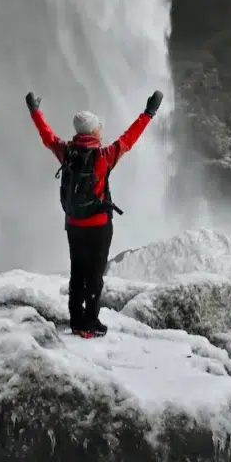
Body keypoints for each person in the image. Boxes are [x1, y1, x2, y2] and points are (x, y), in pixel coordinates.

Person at [25, 89, 163, 338]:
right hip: (99, 225)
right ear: (92, 131)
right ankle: (90, 322)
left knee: (77, 273)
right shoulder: (104, 156)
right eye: (98, 127)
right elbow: (129, 138)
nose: (101, 129)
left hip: (74, 224)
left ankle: (77, 321)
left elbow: (47, 136)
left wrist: (35, 111)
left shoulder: (67, 152)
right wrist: (149, 113)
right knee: (95, 275)